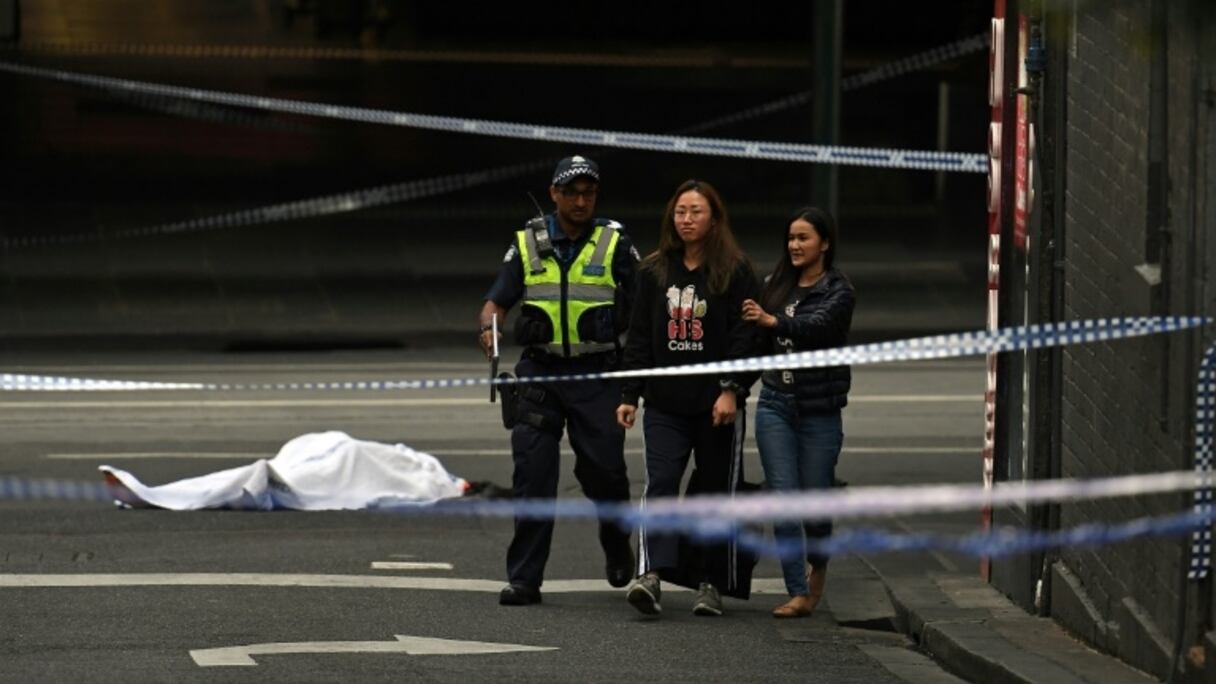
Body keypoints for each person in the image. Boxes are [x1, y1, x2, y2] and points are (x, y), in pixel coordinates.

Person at [478, 155, 640, 606]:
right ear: (554, 193)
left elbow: (646, 302)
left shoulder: (615, 240)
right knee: (532, 474)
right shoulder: (528, 240)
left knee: (605, 472)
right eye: (572, 192)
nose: (582, 200)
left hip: (598, 373)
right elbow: (496, 301)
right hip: (541, 374)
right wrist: (488, 329)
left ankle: (614, 535)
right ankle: (525, 579)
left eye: (589, 192)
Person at [616, 179, 760, 618]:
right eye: (680, 212)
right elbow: (640, 335)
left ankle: (711, 583)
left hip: (716, 406)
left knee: (715, 492)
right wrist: (630, 394)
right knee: (660, 484)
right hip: (665, 404)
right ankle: (651, 575)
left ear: (714, 218)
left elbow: (746, 336)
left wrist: (731, 390)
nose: (687, 220)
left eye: (696, 212)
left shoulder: (735, 270)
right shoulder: (655, 271)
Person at [740, 206, 855, 618]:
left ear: (825, 243)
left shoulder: (838, 291)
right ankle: (797, 591)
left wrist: (774, 322)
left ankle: (818, 564)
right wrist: (731, 388)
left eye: (804, 237)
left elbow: (818, 328)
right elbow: (754, 347)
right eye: (791, 237)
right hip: (775, 405)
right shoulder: (774, 285)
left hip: (819, 410)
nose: (794, 245)